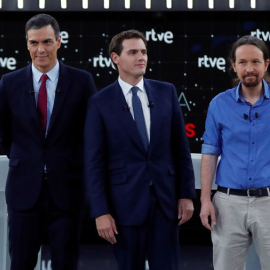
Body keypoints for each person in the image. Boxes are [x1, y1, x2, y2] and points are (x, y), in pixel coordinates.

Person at [84, 29, 196, 270]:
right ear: (115, 58)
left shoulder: (166, 92)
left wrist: (186, 194)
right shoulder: (100, 102)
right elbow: (93, 162)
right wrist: (100, 211)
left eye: (143, 52)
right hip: (124, 206)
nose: (141, 57)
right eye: (133, 52)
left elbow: (180, 148)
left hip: (165, 204)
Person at [0, 14, 97, 270]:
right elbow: (4, 135)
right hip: (23, 193)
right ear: (27, 44)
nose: (41, 49)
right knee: (21, 262)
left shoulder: (82, 82)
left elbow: (91, 134)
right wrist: (31, 161)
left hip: (67, 192)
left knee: (66, 263)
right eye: (34, 43)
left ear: (59, 42)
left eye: (47, 42)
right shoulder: (9, 83)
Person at [199, 35, 270, 270]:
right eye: (243, 62)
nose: (249, 68)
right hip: (227, 204)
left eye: (256, 62)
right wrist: (205, 198)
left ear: (266, 64)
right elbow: (210, 152)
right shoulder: (219, 104)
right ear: (234, 66)